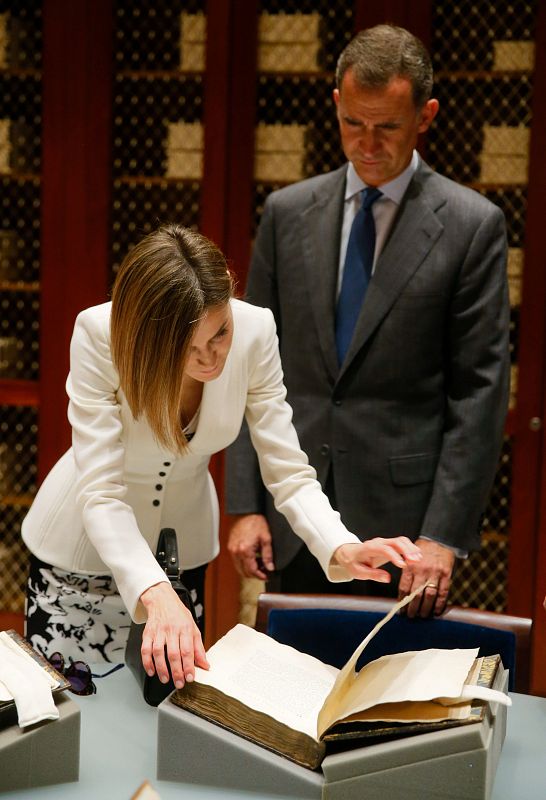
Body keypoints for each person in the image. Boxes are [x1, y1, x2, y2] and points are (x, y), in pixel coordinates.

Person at [21, 223, 421, 689]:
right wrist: (154, 592)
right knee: (75, 717)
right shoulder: (100, 335)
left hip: (182, 552)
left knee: (168, 713)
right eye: (188, 349)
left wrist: (341, 545)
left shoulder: (255, 331)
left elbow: (288, 470)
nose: (211, 358)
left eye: (219, 334)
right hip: (81, 558)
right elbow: (103, 493)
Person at [225, 24, 510, 618]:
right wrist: (246, 502)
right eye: (353, 123)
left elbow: (478, 396)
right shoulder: (287, 213)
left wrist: (442, 536)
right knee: (281, 696)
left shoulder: (471, 225)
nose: (367, 144)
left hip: (405, 535)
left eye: (387, 127)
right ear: (336, 103)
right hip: (293, 512)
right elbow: (248, 364)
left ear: (425, 116)